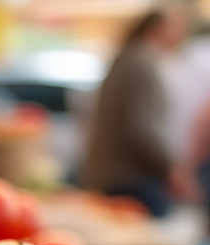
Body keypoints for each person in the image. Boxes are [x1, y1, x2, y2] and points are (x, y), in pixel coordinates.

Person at [82, 6, 194, 217]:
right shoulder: (142, 63)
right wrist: (172, 169)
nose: (181, 35)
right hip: (133, 180)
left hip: (113, 176)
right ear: (158, 29)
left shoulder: (127, 57)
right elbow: (143, 130)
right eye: (177, 28)